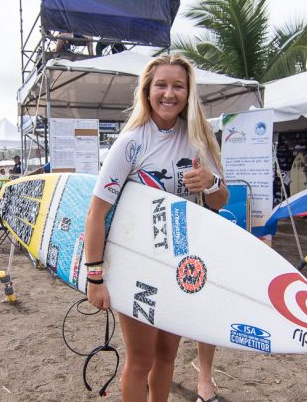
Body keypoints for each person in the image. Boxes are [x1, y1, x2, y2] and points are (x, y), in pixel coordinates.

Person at [83, 54, 228, 402]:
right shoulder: (132, 142)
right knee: (141, 359)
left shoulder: (199, 139)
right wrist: (95, 277)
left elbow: (219, 202)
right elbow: (96, 213)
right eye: (161, 85)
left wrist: (211, 181)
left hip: (179, 267)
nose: (169, 93)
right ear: (147, 90)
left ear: (188, 92)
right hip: (136, 268)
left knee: (167, 357)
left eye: (178, 86)